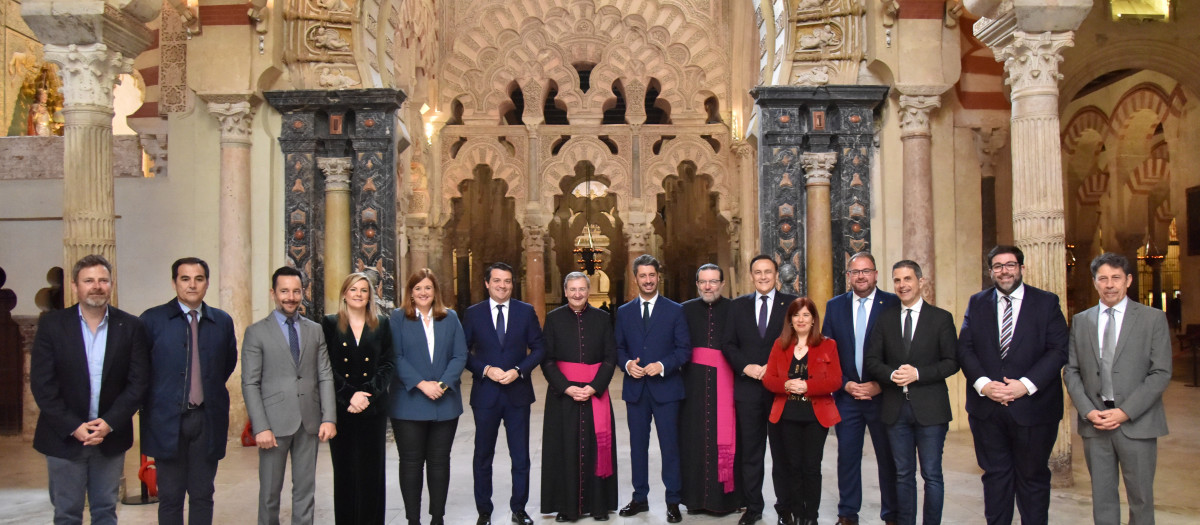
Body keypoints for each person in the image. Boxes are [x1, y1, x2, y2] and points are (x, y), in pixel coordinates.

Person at [30, 254, 149, 525]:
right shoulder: (52, 326)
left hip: (110, 437)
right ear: (75, 286)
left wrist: (109, 422)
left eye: (103, 280)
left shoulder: (130, 326)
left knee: (106, 511)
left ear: (111, 284)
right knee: (67, 513)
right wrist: (74, 426)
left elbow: (138, 382)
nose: (96, 286)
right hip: (64, 437)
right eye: (89, 280)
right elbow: (42, 385)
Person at [956, 245, 1068, 525]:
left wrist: (1025, 385)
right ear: (991, 271)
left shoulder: (1046, 302)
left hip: (1034, 409)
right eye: (997, 266)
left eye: (1010, 265)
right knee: (995, 478)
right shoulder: (977, 302)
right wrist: (984, 384)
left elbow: (1058, 350)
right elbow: (965, 349)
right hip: (987, 410)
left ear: (1021, 268)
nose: (1004, 271)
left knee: (1032, 479)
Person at [1064, 252, 1172, 525]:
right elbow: (1072, 371)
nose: (1109, 284)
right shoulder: (1082, 320)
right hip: (1096, 423)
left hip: (1138, 422)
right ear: (1094, 283)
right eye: (1103, 279)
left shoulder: (1152, 319)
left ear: (1128, 281)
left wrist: (1125, 411)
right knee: (1102, 497)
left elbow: (1160, 373)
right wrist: (1088, 411)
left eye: (1116, 278)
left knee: (1141, 498)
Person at [139, 257, 238, 525]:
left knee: (203, 494)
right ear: (174, 283)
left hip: (207, 420)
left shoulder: (222, 321)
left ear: (207, 283)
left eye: (199, 279)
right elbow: (140, 369)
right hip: (166, 421)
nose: (192, 285)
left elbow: (226, 364)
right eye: (185, 279)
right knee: (170, 496)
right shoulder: (152, 320)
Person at [864, 260, 958, 525]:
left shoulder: (941, 318)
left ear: (920, 281)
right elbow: (872, 361)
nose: (902, 285)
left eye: (907, 279)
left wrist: (918, 374)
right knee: (903, 474)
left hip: (931, 410)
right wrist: (892, 375)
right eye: (897, 280)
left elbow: (952, 362)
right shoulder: (884, 320)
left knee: (932, 475)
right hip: (895, 410)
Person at [242, 266, 337, 525]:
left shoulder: (315, 330)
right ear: (273, 293)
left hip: (308, 421)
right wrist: (260, 427)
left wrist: (329, 417)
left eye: (296, 291)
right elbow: (250, 383)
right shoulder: (256, 332)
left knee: (305, 491)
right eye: (284, 291)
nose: (291, 297)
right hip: (272, 425)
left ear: (303, 293)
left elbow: (325, 375)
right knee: (270, 494)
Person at [463, 262, 546, 525]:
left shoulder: (525, 311)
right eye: (497, 281)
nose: (502, 285)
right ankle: (484, 511)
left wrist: (519, 370)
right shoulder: (473, 314)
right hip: (486, 394)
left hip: (517, 393)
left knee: (520, 455)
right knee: (483, 455)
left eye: (507, 281)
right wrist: (485, 369)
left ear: (513, 284)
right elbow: (462, 353)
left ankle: (519, 509)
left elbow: (539, 348)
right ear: (487, 283)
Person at [821, 252, 900, 525]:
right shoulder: (835, 306)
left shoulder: (892, 304)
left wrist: (880, 384)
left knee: (887, 457)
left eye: (866, 271)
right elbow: (826, 354)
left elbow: (899, 351)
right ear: (848, 276)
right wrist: (845, 383)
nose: (861, 276)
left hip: (883, 395)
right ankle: (847, 513)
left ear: (876, 274)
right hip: (848, 396)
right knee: (848, 457)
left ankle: (891, 514)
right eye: (855, 272)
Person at [615, 254, 691, 523]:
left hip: (667, 388)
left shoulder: (675, 310)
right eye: (643, 276)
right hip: (636, 390)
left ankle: (673, 500)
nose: (648, 280)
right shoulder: (623, 312)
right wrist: (626, 365)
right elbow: (618, 349)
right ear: (635, 279)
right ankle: (639, 497)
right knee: (637, 446)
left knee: (670, 446)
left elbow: (684, 351)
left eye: (652, 275)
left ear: (659, 277)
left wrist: (661, 365)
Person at [388, 268, 468, 525]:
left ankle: (437, 518)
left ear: (436, 292)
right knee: (411, 463)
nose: (423, 292)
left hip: (444, 404)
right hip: (408, 403)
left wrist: (442, 384)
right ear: (410, 292)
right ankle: (413, 519)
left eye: (428, 288)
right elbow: (395, 357)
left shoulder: (450, 317)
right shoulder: (398, 318)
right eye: (418, 288)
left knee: (439, 463)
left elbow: (459, 355)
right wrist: (422, 384)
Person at [723, 254, 798, 525]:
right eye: (758, 272)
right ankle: (753, 506)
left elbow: (801, 343)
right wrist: (747, 367)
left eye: (768, 271)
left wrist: (776, 370)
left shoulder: (792, 305)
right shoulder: (738, 306)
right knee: (751, 452)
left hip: (781, 391)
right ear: (751, 275)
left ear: (777, 274)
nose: (763, 276)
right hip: (749, 390)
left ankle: (785, 507)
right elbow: (729, 344)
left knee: (783, 452)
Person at [540, 272, 619, 522]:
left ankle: (599, 506)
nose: (577, 294)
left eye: (582, 289)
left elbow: (610, 357)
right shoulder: (553, 319)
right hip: (563, 396)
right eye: (572, 289)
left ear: (588, 290)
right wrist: (566, 387)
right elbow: (547, 360)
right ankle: (567, 507)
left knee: (597, 447)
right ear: (565, 292)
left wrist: (595, 386)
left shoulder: (603, 318)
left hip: (595, 393)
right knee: (564, 448)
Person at [321, 272, 394, 525]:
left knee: (372, 472)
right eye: (353, 289)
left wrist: (367, 395)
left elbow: (387, 364)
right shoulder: (329, 324)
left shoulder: (382, 324)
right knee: (345, 472)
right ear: (344, 294)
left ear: (370, 296)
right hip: (342, 408)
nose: (358, 294)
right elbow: (326, 366)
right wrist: (349, 395)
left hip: (372, 409)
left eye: (364, 290)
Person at [763, 297, 841, 525]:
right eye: (796, 315)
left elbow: (836, 380)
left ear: (814, 319)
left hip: (815, 416)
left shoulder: (828, 345)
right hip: (787, 415)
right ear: (790, 320)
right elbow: (769, 379)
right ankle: (797, 514)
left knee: (811, 467)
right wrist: (786, 385)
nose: (801, 319)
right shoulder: (780, 344)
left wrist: (808, 386)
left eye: (806, 315)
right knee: (793, 466)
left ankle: (811, 516)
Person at [679, 263, 741, 515]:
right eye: (703, 281)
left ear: (722, 284)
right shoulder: (683, 310)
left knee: (726, 439)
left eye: (713, 281)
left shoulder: (735, 309)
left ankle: (726, 499)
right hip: (692, 386)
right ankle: (694, 499)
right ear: (697, 284)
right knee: (693, 440)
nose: (708, 286)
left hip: (727, 383)